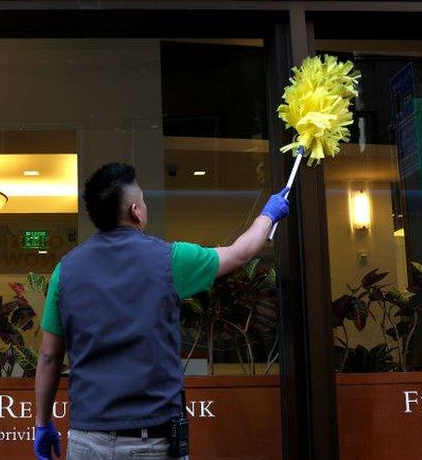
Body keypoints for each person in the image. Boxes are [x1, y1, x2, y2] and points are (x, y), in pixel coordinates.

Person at [32, 162, 290, 460]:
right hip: (151, 442)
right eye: (142, 199)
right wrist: (269, 214)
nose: (144, 204)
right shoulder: (169, 259)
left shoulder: (65, 271)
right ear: (135, 211)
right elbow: (240, 254)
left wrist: (43, 422)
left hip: (87, 440)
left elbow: (49, 356)